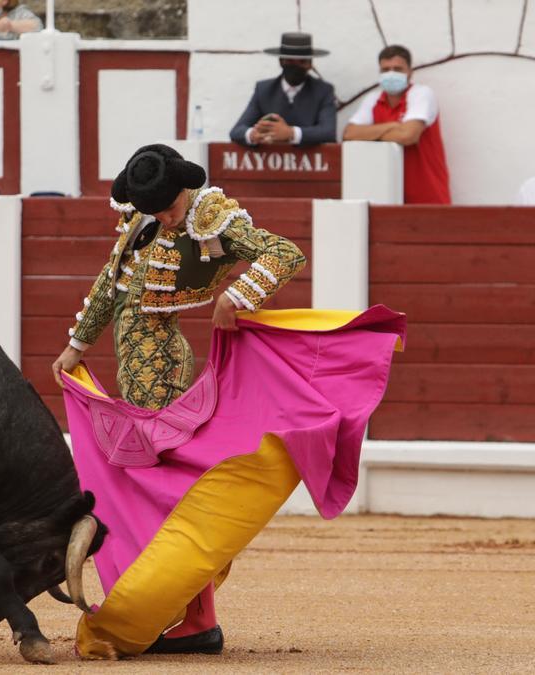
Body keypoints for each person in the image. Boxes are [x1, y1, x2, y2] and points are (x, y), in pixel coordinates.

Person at [51, 144, 307, 654]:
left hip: (161, 363)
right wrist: (76, 345)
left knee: (166, 494)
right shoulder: (142, 220)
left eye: (169, 207)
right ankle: (190, 618)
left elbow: (284, 253)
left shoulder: (209, 215)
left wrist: (237, 296)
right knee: (162, 494)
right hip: (135, 363)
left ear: (184, 190)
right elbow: (111, 286)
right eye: (157, 210)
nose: (167, 217)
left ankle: (196, 621)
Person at [344, 44, 451, 204]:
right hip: (386, 195)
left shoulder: (421, 94)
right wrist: (392, 125)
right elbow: (349, 134)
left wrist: (370, 134)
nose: (391, 74)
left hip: (427, 193)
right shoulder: (373, 99)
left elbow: (409, 136)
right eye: (385, 70)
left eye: (397, 69)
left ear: (410, 72)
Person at [228, 32, 337, 147]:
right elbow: (236, 131)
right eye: (289, 61)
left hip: (309, 162)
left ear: (310, 64)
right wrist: (252, 134)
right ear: (281, 61)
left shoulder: (323, 91)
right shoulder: (264, 90)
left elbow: (328, 132)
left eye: (302, 62)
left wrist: (291, 133)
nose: (295, 66)